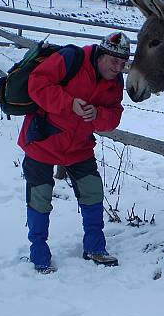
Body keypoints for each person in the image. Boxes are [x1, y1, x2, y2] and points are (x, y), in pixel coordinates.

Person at [17, 31, 130, 273]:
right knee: (40, 197)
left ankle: (95, 247)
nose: (118, 68)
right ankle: (38, 252)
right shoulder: (71, 59)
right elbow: (37, 83)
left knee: (93, 193)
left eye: (122, 64)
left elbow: (114, 115)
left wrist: (98, 115)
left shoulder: (115, 82)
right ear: (101, 55)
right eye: (114, 61)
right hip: (43, 142)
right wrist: (69, 104)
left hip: (79, 146)